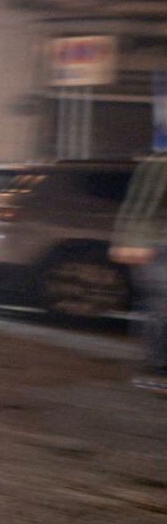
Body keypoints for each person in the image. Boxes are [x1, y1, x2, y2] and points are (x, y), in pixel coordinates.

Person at [112, 150, 167, 392]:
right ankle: (157, 369)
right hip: (158, 246)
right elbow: (142, 202)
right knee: (161, 307)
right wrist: (132, 240)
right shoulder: (160, 164)